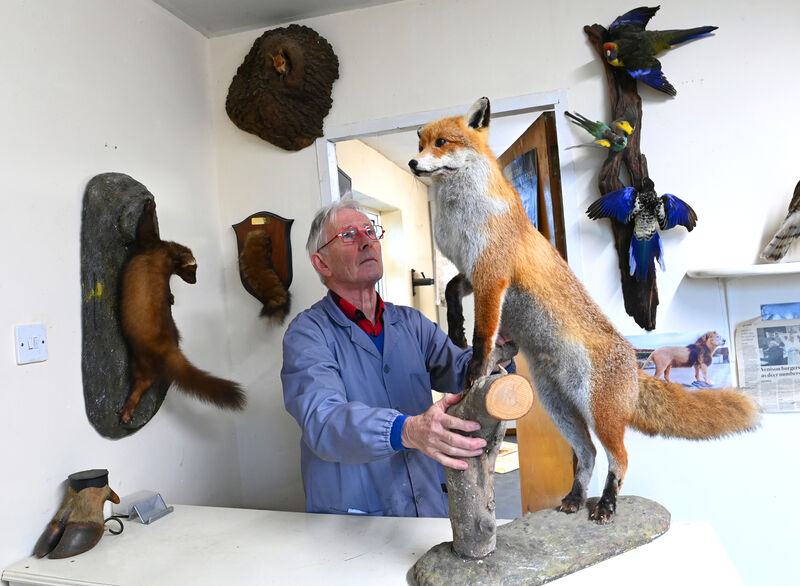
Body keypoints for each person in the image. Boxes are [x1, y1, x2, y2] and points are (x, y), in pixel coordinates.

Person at [281, 199, 501, 518]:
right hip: (354, 520)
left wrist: (495, 347)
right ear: (321, 264)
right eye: (349, 234)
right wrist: (406, 429)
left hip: (427, 508)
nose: (367, 240)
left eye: (370, 230)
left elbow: (462, 371)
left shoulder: (410, 323)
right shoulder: (308, 334)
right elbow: (323, 421)